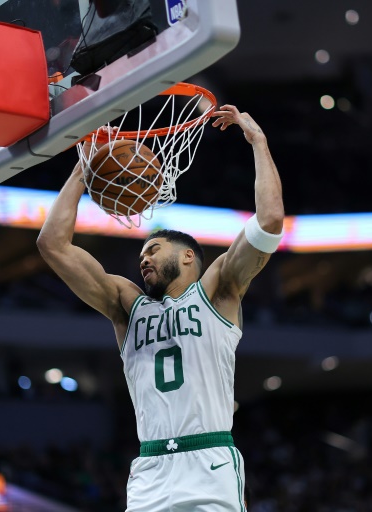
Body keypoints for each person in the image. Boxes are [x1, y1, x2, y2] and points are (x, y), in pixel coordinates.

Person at [37, 105, 284, 511]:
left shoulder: (219, 290)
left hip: (209, 461)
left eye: (153, 249)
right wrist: (87, 165)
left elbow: (270, 219)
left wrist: (258, 141)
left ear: (189, 256)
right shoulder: (126, 306)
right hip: (151, 467)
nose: (144, 260)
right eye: (141, 256)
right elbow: (52, 245)